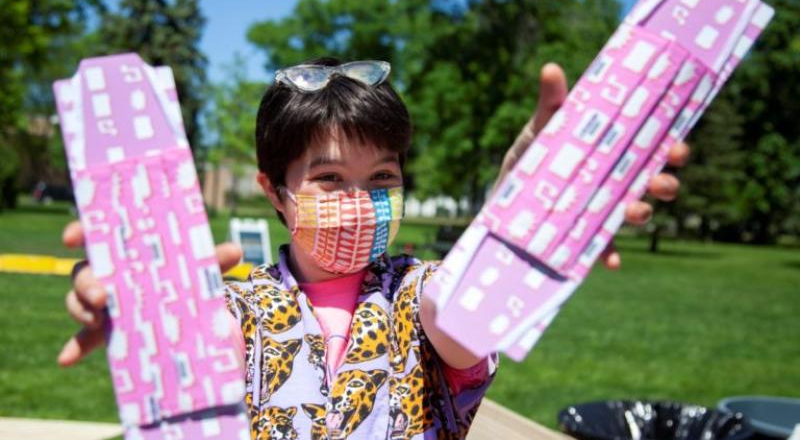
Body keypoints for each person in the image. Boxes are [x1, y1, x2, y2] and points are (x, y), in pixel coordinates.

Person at [58, 57, 688, 439]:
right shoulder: (240, 307)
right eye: (330, 178)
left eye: (382, 177)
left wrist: (523, 206)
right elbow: (194, 342)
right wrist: (140, 295)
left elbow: (470, 308)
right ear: (275, 192)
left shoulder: (422, 293)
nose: (360, 200)